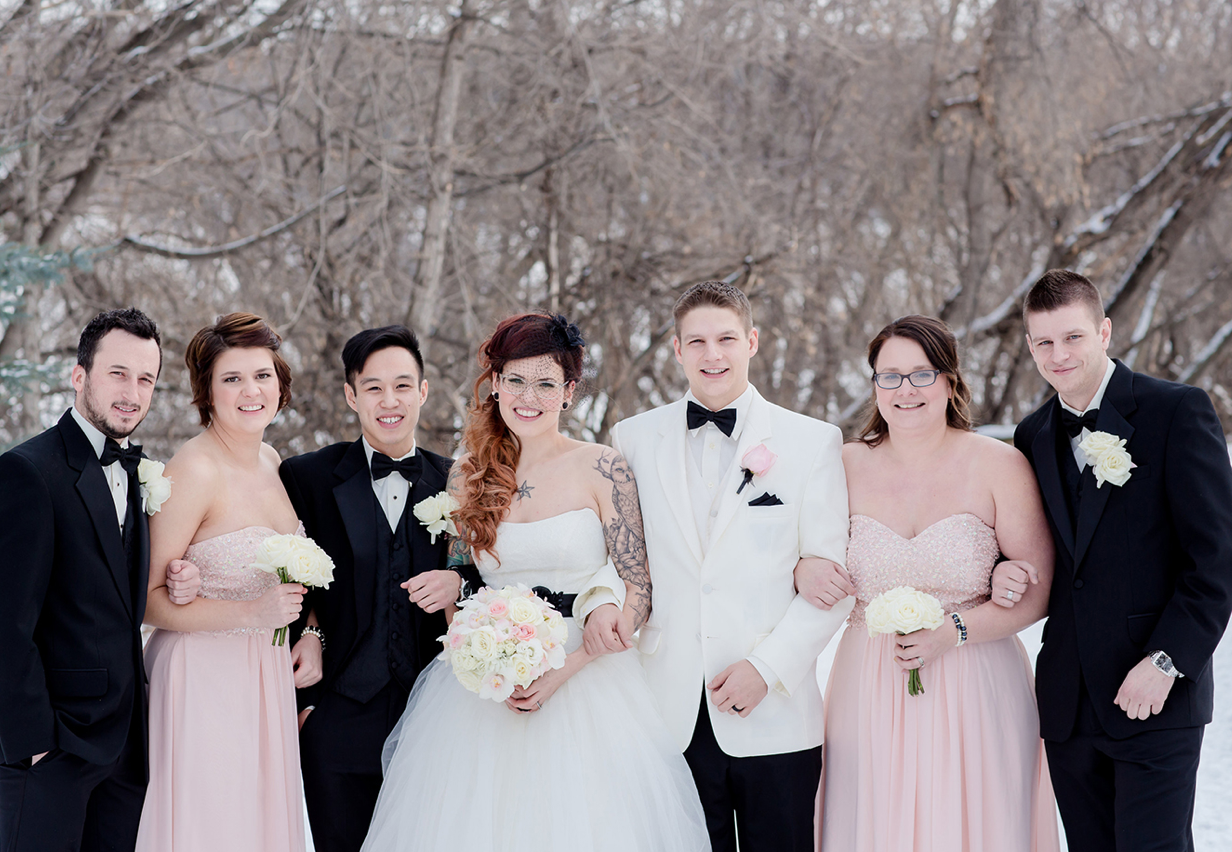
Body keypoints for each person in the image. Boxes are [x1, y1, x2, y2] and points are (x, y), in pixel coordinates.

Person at [360, 311, 709, 852]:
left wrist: (564, 670)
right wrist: (486, 670)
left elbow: (639, 587)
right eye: (516, 380)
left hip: (586, 682)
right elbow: (461, 580)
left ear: (569, 392)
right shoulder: (468, 472)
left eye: (546, 383)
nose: (530, 396)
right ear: (495, 384)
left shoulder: (603, 468)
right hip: (481, 694)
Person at [796, 315, 1059, 851]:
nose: (905, 390)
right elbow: (795, 551)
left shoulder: (999, 464)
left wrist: (954, 630)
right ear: (874, 385)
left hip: (977, 681)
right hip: (868, 684)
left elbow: (1039, 589)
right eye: (889, 376)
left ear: (949, 381)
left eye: (921, 374)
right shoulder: (840, 465)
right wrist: (802, 567)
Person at [993, 270, 1232, 852]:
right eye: (1044, 342)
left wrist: (1167, 661)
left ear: (1104, 331)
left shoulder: (1177, 411)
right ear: (1029, 346)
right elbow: (1039, 553)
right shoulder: (1031, 436)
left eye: (1073, 337)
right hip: (1068, 705)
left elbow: (1217, 559)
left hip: (1153, 691)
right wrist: (1003, 569)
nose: (1059, 354)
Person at [609, 281, 851, 852]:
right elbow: (621, 560)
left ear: (753, 341)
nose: (711, 354)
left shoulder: (812, 442)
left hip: (776, 713)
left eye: (725, 339)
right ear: (676, 349)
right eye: (696, 341)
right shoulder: (631, 439)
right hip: (668, 713)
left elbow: (832, 584)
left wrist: (766, 668)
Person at [0, 307, 200, 852]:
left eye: (146, 379)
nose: (132, 392)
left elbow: (115, 585)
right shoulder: (27, 472)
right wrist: (33, 743)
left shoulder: (140, 475)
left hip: (123, 751)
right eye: (118, 373)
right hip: (53, 750)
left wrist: (176, 576)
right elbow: (6, 624)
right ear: (79, 375)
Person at [279, 326, 483, 852]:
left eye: (401, 386)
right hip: (336, 718)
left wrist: (457, 580)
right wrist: (310, 647)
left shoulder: (459, 483)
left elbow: (492, 578)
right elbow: (282, 575)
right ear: (351, 395)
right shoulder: (306, 478)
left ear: (423, 391)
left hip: (431, 721)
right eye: (373, 388)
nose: (388, 402)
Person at [136, 312, 308, 852]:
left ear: (280, 382)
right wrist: (249, 614)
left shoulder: (271, 459)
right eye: (231, 379)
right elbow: (145, 601)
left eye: (262, 375)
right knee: (211, 825)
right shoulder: (193, 470)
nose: (251, 390)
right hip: (201, 677)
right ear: (207, 392)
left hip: (264, 673)